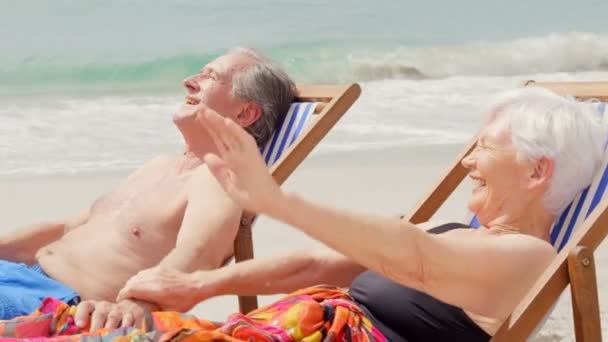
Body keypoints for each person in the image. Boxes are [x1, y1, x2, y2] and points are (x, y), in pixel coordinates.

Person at [2, 87, 604, 342]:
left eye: (484, 148)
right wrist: (198, 285)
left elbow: (413, 259)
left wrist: (278, 201)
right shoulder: (459, 233)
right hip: (282, 328)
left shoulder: (529, 259)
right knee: (79, 327)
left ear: (536, 173)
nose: (469, 160)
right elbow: (317, 262)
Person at [0, 47, 297, 325]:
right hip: (17, 279)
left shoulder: (219, 181)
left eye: (211, 76)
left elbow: (200, 253)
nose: (189, 81)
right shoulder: (160, 164)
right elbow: (66, 229)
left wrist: (137, 305)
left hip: (60, 305)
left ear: (244, 114)